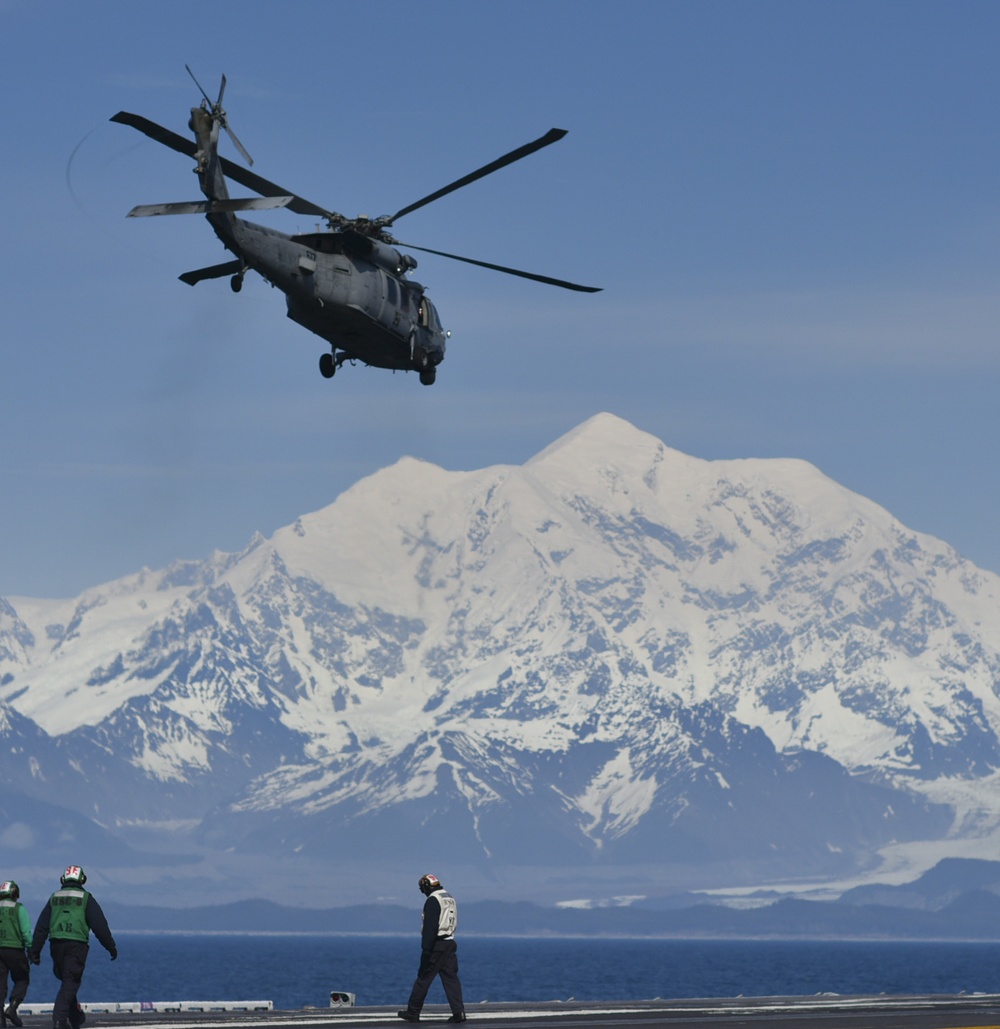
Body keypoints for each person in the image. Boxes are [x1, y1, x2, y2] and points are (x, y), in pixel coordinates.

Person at [29, 866, 117, 1029]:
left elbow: (42, 926)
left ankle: (75, 1018)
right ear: (82, 880)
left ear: (63, 879)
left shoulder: (54, 897)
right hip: (76, 945)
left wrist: (35, 951)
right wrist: (110, 947)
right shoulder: (85, 898)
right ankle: (59, 1020)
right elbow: (99, 925)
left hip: (56, 945)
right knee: (71, 981)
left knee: (66, 980)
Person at [398, 873, 465, 1023]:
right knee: (451, 979)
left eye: (422, 888)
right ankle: (459, 1012)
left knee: (423, 977)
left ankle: (413, 1012)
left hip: (437, 945)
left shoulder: (433, 900)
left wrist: (426, 949)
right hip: (450, 943)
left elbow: (430, 927)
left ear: (426, 886)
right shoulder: (449, 897)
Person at [0, 881, 31, 1028]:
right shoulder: (18, 908)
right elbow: (25, 932)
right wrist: (31, 949)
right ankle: (13, 1007)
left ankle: (1, 1020)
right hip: (15, 950)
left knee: (0, 984)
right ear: (14, 893)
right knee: (22, 979)